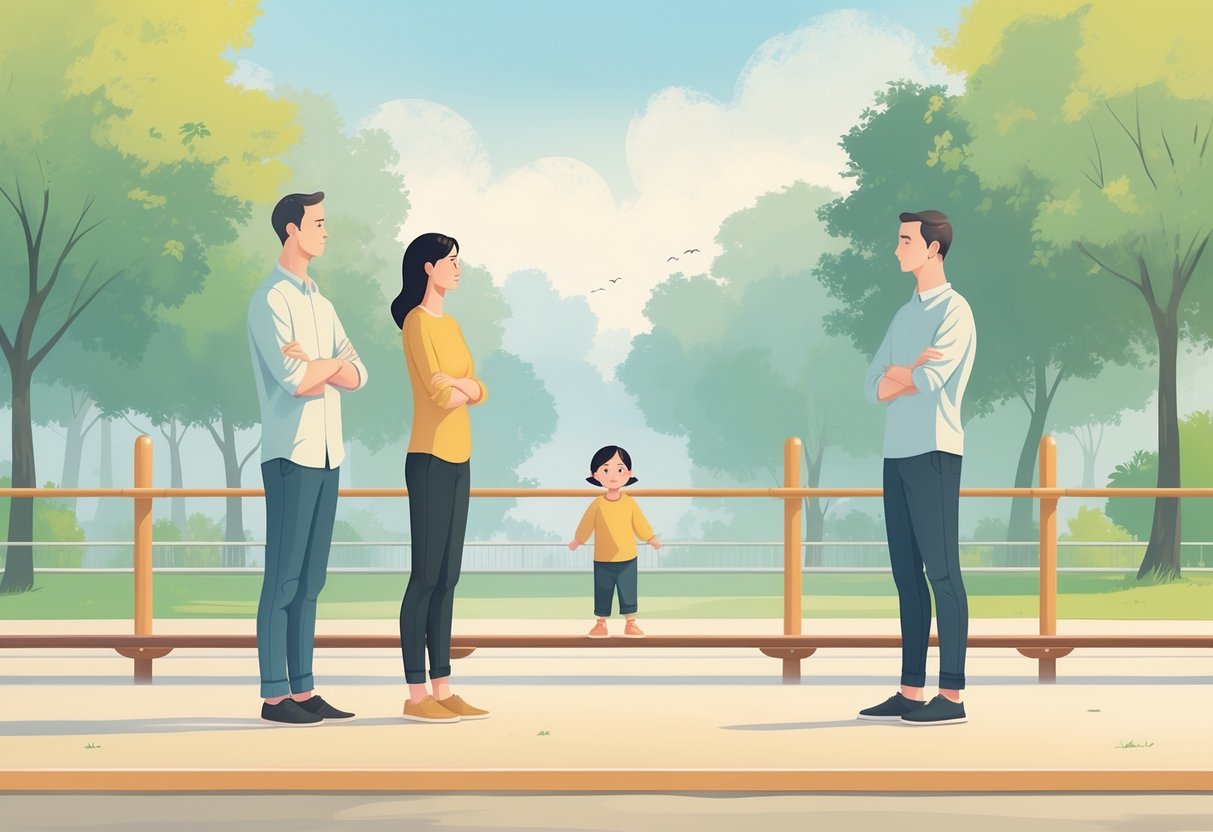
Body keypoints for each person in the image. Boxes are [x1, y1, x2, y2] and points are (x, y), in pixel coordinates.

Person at [246, 191, 368, 726]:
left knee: (313, 579)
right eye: (318, 222)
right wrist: (325, 365)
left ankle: (304, 687)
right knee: (284, 578)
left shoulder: (322, 302)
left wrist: (318, 362)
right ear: (292, 229)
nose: (326, 231)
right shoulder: (270, 299)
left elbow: (358, 374)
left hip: (328, 453)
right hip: (291, 455)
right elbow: (295, 382)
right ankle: (275, 695)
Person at [859, 209, 976, 726]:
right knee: (906, 576)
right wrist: (907, 371)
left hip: (934, 452)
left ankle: (951, 696)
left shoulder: (956, 311)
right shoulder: (904, 316)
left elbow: (930, 381)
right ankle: (910, 690)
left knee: (943, 573)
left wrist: (902, 374)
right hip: (895, 454)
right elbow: (871, 386)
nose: (896, 249)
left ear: (933, 248)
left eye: (905, 240)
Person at [392, 232, 490, 724]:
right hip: (429, 458)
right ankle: (414, 696)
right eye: (451, 261)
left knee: (449, 577)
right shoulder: (417, 323)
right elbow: (441, 394)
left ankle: (443, 686)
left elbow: (479, 386)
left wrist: (465, 386)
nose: (457, 268)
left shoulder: (450, 324)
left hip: (460, 458)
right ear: (428, 267)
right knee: (426, 577)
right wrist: (462, 387)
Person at [568, 445, 661, 638]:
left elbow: (640, 523)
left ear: (628, 473)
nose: (613, 475)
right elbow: (586, 524)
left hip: (627, 557)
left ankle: (631, 623)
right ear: (595, 475)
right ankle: (600, 624)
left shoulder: (629, 502)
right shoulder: (597, 504)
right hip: (603, 558)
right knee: (603, 590)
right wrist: (578, 539)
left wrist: (651, 538)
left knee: (628, 591)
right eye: (606, 470)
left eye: (619, 470)